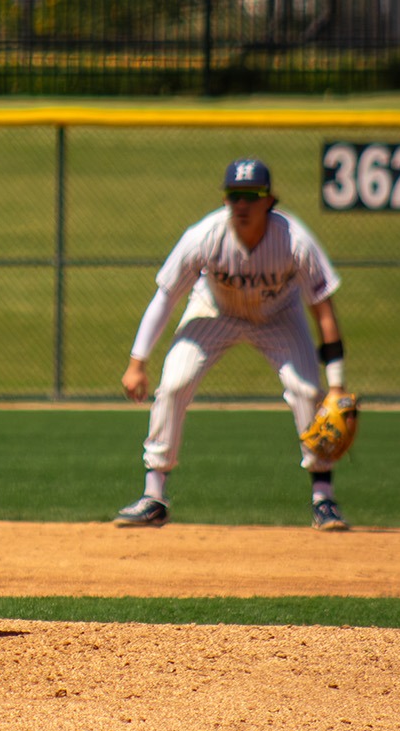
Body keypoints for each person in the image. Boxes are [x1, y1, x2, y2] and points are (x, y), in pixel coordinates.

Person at [116, 158, 353, 531]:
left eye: (251, 195)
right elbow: (165, 296)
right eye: (234, 195)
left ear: (269, 200)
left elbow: (323, 310)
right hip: (214, 311)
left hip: (279, 316)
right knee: (175, 383)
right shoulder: (204, 236)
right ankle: (154, 495)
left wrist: (337, 383)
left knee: (307, 390)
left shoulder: (295, 241)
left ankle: (323, 498)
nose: (241, 204)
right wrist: (137, 361)